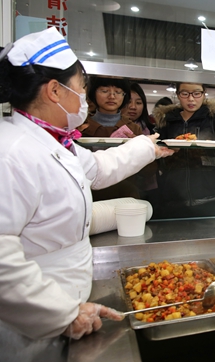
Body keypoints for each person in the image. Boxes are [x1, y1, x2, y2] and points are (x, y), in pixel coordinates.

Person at [0, 28, 173, 355]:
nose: (84, 97)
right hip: (29, 322)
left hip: (64, 301)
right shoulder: (11, 152)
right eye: (82, 88)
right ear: (55, 90)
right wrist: (62, 314)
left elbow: (96, 168)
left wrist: (147, 148)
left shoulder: (51, 141)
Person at [154, 81, 215, 218]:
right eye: (185, 93)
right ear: (178, 95)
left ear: (204, 94)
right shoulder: (167, 121)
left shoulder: (214, 117)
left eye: (197, 93)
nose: (191, 99)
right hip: (174, 195)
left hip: (211, 195)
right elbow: (156, 148)